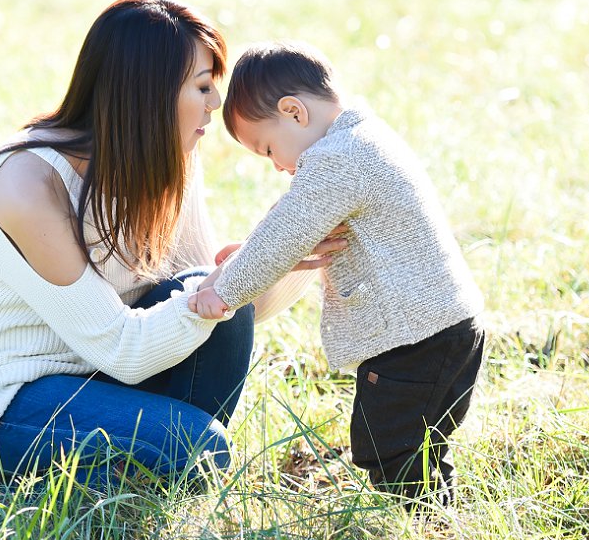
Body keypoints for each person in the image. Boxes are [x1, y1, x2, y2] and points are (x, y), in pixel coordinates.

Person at [0, 0, 333, 489]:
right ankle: (20, 481)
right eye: (203, 86)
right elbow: (126, 349)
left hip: (104, 377)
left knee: (204, 305)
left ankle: (144, 475)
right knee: (201, 447)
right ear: (150, 92)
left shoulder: (169, 162)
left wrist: (290, 247)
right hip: (13, 398)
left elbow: (216, 307)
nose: (216, 103)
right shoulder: (27, 187)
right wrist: (227, 282)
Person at [187, 42, 485, 502]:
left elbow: (283, 236)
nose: (278, 167)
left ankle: (421, 533)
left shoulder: (336, 158)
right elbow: (292, 220)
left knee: (388, 447)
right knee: (418, 446)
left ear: (294, 113)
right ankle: (439, 523)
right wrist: (245, 250)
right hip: (448, 327)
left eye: (268, 149)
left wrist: (223, 291)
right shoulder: (364, 138)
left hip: (412, 339)